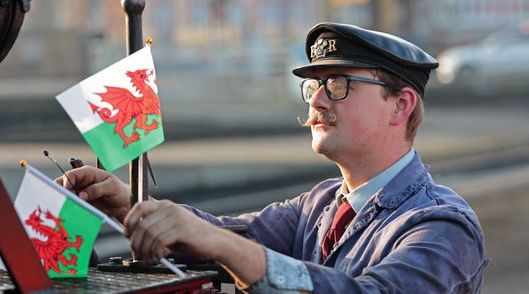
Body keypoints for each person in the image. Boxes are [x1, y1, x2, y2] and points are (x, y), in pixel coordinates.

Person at [57, 23, 487, 293]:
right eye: (315, 85)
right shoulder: (319, 206)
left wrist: (221, 244)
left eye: (338, 83)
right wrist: (126, 203)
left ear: (400, 105)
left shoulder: (441, 227)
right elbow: (226, 236)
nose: (317, 99)